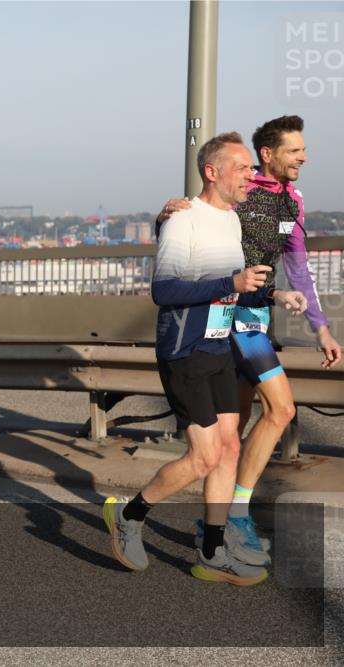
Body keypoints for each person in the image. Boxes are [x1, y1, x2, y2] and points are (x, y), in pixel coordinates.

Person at [103, 133, 306, 585]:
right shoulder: (183, 220)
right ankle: (128, 516)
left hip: (218, 346)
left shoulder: (231, 221)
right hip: (185, 350)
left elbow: (235, 284)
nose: (250, 175)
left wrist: (274, 292)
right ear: (212, 172)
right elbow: (164, 291)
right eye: (241, 167)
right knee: (204, 456)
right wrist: (228, 280)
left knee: (229, 448)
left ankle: (212, 551)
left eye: (253, 168)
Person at [154, 115, 341, 566]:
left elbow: (299, 271)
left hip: (257, 312)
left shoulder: (291, 204)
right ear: (268, 154)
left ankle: (213, 529)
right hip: (229, 316)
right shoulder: (242, 190)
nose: (304, 157)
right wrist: (164, 219)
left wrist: (321, 327)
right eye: (295, 150)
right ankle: (235, 516)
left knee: (229, 437)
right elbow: (199, 221)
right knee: (282, 408)